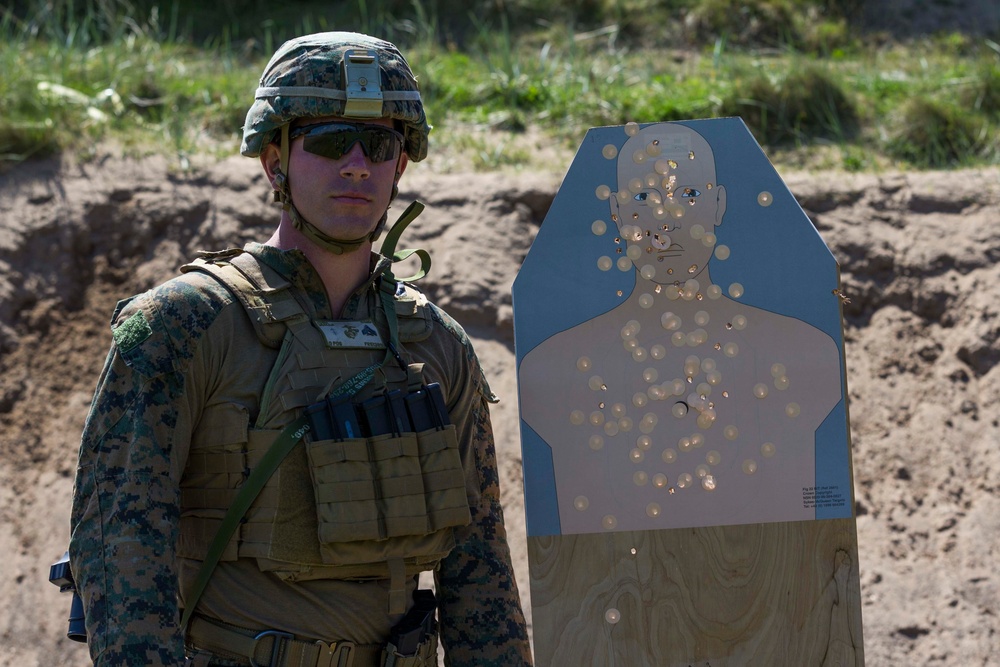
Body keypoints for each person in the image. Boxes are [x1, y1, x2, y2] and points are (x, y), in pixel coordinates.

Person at [69, 32, 532, 667]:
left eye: (379, 146)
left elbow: (480, 574)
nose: (356, 166)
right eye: (330, 141)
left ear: (401, 166)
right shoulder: (183, 326)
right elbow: (119, 540)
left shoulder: (436, 346)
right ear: (275, 160)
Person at [518, 122, 842, 535]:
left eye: (688, 195)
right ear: (617, 212)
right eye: (643, 198)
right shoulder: (552, 366)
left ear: (718, 204)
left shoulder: (804, 353)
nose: (665, 221)